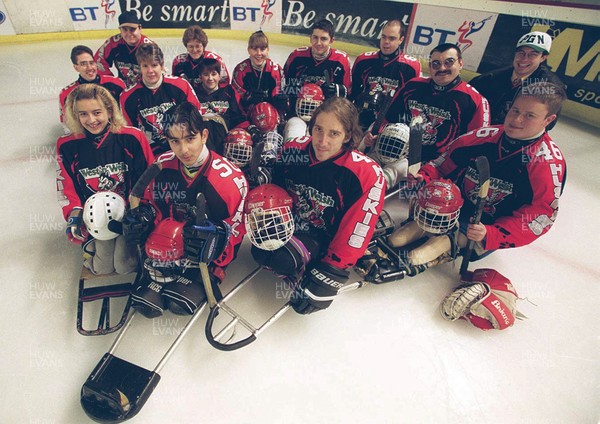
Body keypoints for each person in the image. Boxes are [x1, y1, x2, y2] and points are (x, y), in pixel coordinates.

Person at [249, 97, 386, 314]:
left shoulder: (365, 174)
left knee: (283, 259)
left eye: (334, 133)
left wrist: (332, 269)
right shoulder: (294, 150)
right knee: (259, 251)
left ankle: (306, 264)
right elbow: (277, 190)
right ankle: (299, 266)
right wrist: (263, 181)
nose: (322, 141)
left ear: (348, 135)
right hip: (292, 224)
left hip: (323, 237)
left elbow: (356, 229)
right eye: (318, 130)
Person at [412, 81, 567, 262]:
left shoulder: (546, 164)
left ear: (548, 120)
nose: (516, 120)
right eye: (515, 110)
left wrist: (493, 234)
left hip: (487, 226)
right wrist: (424, 177)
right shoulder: (481, 137)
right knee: (405, 234)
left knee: (426, 252)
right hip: (451, 208)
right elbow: (441, 164)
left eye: (529, 115)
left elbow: (540, 216)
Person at [121, 102, 248, 317]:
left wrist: (214, 242)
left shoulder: (230, 181)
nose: (183, 150)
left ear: (204, 135)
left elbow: (235, 234)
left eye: (190, 139)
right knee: (146, 304)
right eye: (175, 141)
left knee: (179, 303)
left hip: (205, 259)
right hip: (168, 247)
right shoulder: (161, 166)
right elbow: (153, 205)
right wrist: (144, 216)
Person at [56, 84, 154, 275]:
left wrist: (142, 211)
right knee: (102, 268)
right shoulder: (67, 145)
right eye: (83, 114)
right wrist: (74, 213)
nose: (91, 120)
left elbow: (148, 179)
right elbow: (66, 185)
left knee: (124, 266)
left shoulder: (132, 137)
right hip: (95, 216)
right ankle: (91, 245)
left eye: (97, 112)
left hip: (126, 213)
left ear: (109, 111)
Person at [379, 43, 490, 164]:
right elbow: (388, 118)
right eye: (436, 63)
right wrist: (377, 135)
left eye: (449, 62)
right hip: (397, 154)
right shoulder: (413, 86)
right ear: (430, 66)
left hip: (438, 167)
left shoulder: (474, 101)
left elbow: (476, 146)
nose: (442, 68)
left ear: (461, 64)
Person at [470, 31, 564, 129]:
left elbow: (548, 125)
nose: (524, 59)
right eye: (521, 53)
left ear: (543, 58)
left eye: (533, 54)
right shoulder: (490, 78)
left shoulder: (551, 87)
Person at [120, 43, 201, 155]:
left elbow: (196, 119)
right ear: (139, 67)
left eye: (154, 65)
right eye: (145, 66)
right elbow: (130, 134)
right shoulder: (128, 96)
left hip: (182, 148)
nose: (150, 71)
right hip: (150, 153)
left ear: (162, 65)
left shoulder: (181, 85)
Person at [350, 19, 421, 129]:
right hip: (362, 118)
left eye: (392, 38)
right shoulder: (363, 61)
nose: (386, 41)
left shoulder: (410, 67)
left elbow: (411, 103)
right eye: (384, 37)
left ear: (401, 40)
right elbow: (354, 93)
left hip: (391, 123)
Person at [283, 19, 351, 116]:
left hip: (328, 114)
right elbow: (283, 84)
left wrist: (336, 90)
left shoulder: (341, 60)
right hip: (298, 112)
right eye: (315, 37)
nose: (318, 43)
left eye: (323, 39)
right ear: (310, 38)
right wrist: (292, 88)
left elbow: (348, 93)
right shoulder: (296, 56)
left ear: (331, 40)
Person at [59, 45, 125, 134]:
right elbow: (67, 124)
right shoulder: (67, 94)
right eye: (83, 64)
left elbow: (126, 113)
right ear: (76, 67)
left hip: (116, 133)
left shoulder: (116, 84)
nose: (90, 68)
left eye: (91, 62)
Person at [195, 58, 248, 154]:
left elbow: (238, 115)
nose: (210, 78)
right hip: (202, 141)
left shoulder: (228, 91)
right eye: (206, 74)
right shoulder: (194, 94)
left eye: (214, 74)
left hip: (225, 140)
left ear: (219, 76)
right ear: (200, 77)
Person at [231, 30, 286, 115]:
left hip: (271, 115)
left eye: (262, 49)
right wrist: (248, 97)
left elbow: (280, 96)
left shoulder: (276, 70)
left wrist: (280, 102)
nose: (259, 53)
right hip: (247, 117)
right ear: (249, 50)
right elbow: (235, 101)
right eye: (254, 49)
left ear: (268, 50)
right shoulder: (240, 70)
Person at [94, 11, 153, 87]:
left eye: (132, 29)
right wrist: (111, 82)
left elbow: (156, 72)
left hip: (144, 87)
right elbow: (98, 61)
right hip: (122, 87)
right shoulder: (113, 43)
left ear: (140, 28)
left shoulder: (149, 47)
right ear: (120, 30)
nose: (129, 34)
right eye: (125, 29)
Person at [172, 25, 230, 97]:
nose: (194, 50)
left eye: (198, 46)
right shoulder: (178, 61)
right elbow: (175, 85)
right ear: (186, 47)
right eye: (191, 46)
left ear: (203, 46)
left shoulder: (215, 60)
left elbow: (224, 82)